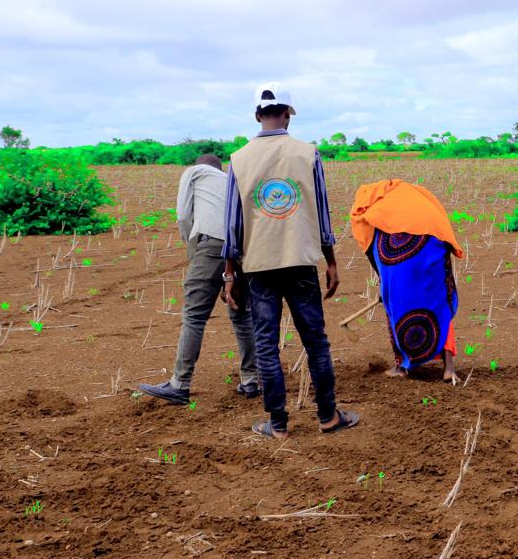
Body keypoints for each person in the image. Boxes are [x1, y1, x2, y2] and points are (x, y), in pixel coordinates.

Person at [222, 82, 359, 439]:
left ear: (257, 115)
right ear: (287, 115)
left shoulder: (238, 160)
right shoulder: (308, 154)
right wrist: (330, 260)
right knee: (316, 341)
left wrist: (228, 274)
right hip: (300, 260)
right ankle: (328, 417)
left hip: (259, 266)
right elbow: (322, 214)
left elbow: (232, 225)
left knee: (266, 344)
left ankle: (278, 424)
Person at [138, 155, 259, 404]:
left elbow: (183, 216)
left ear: (198, 164)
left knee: (194, 316)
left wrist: (195, 253)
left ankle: (179, 384)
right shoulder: (230, 180)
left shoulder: (194, 172)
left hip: (211, 245)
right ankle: (251, 379)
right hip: (243, 249)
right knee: (241, 314)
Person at [350, 180, 463, 382]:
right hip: (434, 242)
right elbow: (441, 224)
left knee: (396, 304)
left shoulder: (366, 211)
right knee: (440, 302)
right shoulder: (416, 195)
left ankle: (402, 366)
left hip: (397, 252)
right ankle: (449, 369)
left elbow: (370, 249)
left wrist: (386, 286)